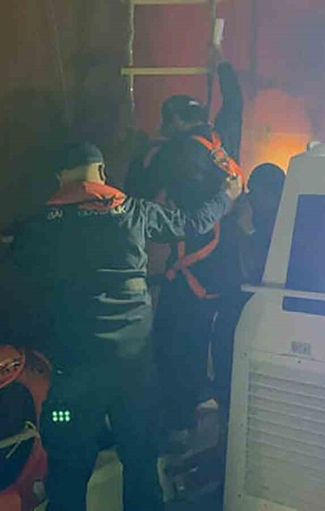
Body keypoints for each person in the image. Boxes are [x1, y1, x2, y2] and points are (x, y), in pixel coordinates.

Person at [10, 142, 242, 511]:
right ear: (102, 173)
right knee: (140, 461)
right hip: (133, 370)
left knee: (68, 470)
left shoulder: (38, 226)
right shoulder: (134, 211)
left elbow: (18, 276)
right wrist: (226, 197)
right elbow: (192, 223)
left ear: (60, 178)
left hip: (74, 372)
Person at [126, 48, 244, 447]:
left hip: (191, 268)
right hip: (228, 264)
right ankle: (216, 418)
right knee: (215, 342)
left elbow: (138, 195)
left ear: (175, 122)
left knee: (173, 343)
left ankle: (176, 422)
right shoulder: (223, 141)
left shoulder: (174, 152)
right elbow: (235, 103)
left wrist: (138, 156)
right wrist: (222, 64)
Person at [211, 163, 286, 423]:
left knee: (236, 379)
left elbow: (251, 269)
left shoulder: (277, 225)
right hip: (235, 308)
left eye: (254, 191)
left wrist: (244, 228)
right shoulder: (259, 218)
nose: (249, 197)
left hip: (254, 314)